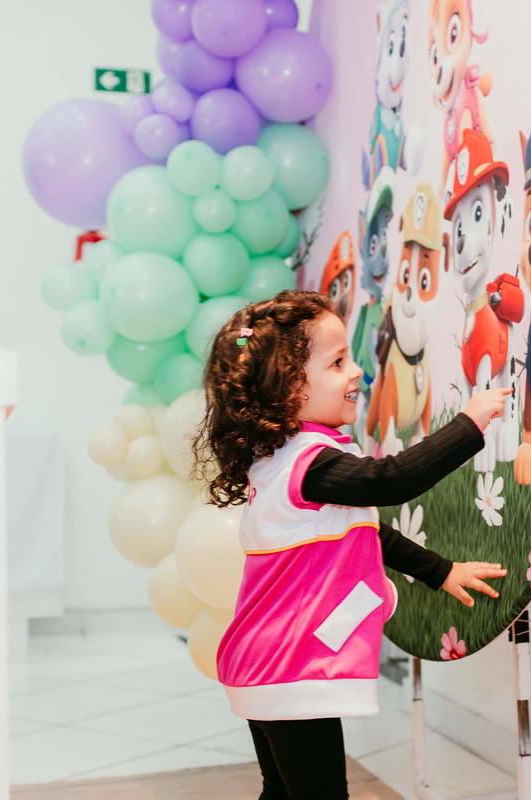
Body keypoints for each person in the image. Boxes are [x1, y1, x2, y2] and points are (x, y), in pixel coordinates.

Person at [192, 290, 509, 800]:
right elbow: (390, 480)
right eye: (337, 362)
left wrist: (440, 570)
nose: (357, 371)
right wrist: (469, 423)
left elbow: (368, 530)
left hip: (263, 662)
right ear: (288, 387)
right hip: (287, 667)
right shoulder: (309, 465)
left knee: (281, 792)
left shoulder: (279, 462)